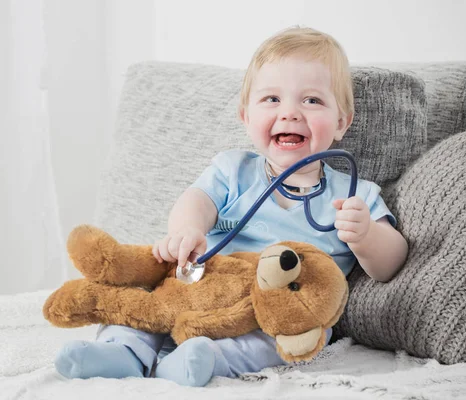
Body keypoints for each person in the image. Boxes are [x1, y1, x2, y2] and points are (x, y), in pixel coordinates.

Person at [54, 26, 409, 386]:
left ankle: (206, 358)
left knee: (279, 339)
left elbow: (390, 263)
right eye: (272, 99)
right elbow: (196, 200)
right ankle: (123, 351)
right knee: (150, 296)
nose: (290, 113)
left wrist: (365, 235)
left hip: (270, 308)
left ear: (341, 123)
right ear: (246, 117)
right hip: (205, 286)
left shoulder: (354, 194)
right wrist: (187, 230)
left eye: (312, 101)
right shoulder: (233, 169)